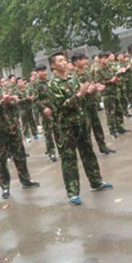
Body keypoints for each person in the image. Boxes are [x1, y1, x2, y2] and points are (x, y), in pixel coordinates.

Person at [48, 52, 113, 205]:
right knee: (69, 159)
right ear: (53, 65)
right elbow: (61, 106)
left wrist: (89, 91)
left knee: (88, 152)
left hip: (80, 121)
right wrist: (79, 94)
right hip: (66, 125)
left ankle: (96, 182)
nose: (64, 63)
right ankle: (72, 193)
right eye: (60, 61)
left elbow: (81, 97)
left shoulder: (72, 78)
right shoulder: (52, 84)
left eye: (65, 60)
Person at [0, 67, 40, 199]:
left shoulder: (5, 88)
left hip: (13, 127)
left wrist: (13, 100)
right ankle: (5, 187)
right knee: (1, 160)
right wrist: (1, 102)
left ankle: (26, 180)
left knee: (20, 155)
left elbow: (15, 105)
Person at [72, 54, 115, 154]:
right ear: (75, 62)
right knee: (86, 129)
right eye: (81, 59)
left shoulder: (86, 72)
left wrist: (96, 86)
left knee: (97, 126)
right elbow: (76, 91)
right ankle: (89, 150)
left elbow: (92, 82)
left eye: (84, 59)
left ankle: (102, 146)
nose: (84, 61)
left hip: (92, 103)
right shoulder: (74, 76)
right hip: (83, 105)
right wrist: (86, 91)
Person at [94, 53, 128, 138]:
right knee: (110, 113)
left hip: (115, 91)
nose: (106, 60)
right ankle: (112, 130)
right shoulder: (98, 70)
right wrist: (110, 81)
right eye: (104, 58)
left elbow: (114, 74)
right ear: (100, 59)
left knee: (119, 110)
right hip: (107, 93)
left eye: (107, 58)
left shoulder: (110, 67)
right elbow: (98, 82)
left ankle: (120, 127)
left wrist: (117, 76)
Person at [33, 65, 58, 162]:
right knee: (48, 132)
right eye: (41, 71)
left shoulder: (50, 81)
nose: (44, 72)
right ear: (37, 73)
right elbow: (35, 99)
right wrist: (44, 108)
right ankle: (51, 152)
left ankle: (62, 149)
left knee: (57, 129)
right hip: (45, 112)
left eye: (44, 70)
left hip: (54, 109)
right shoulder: (36, 84)